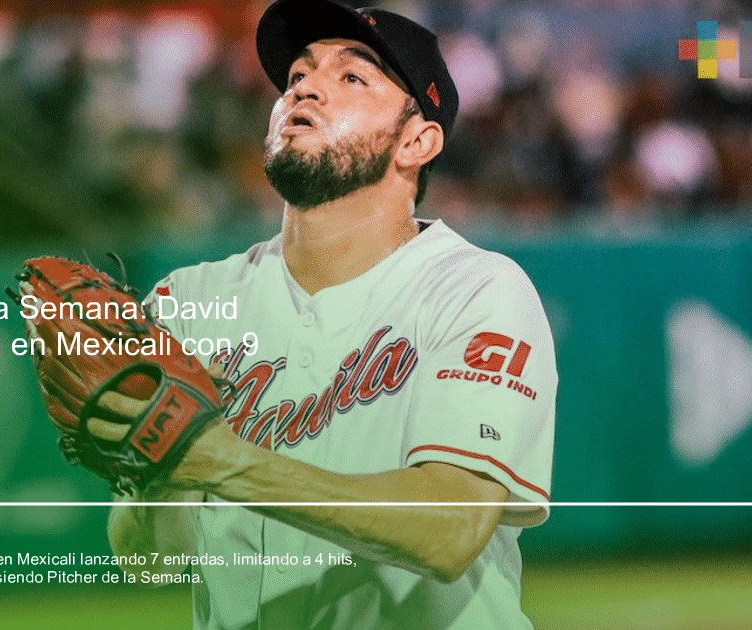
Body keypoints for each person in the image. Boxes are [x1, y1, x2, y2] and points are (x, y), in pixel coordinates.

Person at [87, 1, 557, 628]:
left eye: (352, 76)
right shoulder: (189, 300)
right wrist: (158, 475)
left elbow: (450, 529)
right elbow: (148, 561)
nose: (305, 87)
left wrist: (223, 462)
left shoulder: (475, 290)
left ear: (417, 142)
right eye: (298, 75)